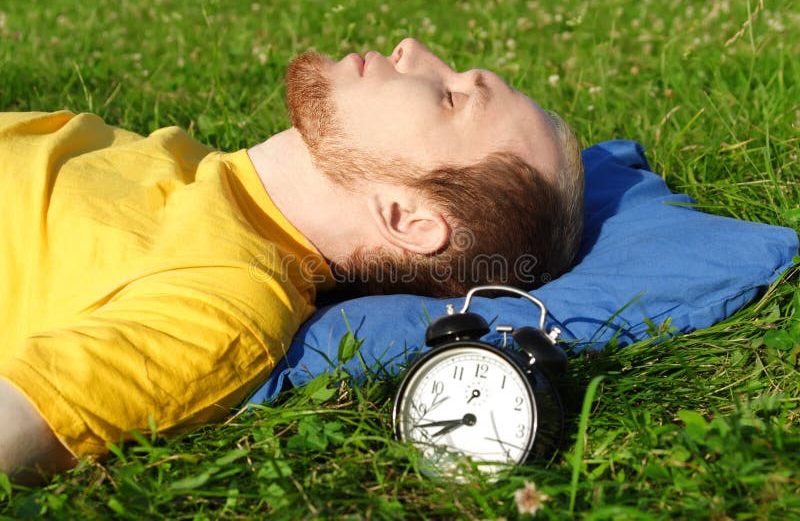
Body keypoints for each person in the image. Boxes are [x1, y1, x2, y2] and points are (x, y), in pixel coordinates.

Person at [0, 38, 584, 483]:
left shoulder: (225, 306)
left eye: (450, 97)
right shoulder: (203, 171)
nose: (414, 49)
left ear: (409, 220)